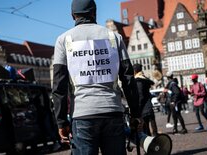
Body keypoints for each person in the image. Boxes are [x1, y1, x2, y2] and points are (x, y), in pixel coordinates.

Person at [52, 0, 142, 154]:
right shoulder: (114, 37)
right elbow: (128, 80)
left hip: (82, 115)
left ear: (73, 15)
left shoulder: (63, 40)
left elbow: (59, 86)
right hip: (112, 111)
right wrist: (135, 114)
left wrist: (61, 122)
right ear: (94, 13)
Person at [133, 64, 158, 136]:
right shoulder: (144, 78)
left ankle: (150, 142)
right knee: (152, 123)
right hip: (148, 105)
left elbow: (140, 95)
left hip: (143, 107)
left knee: (146, 127)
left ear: (135, 71)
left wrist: (139, 107)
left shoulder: (138, 81)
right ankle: (156, 139)